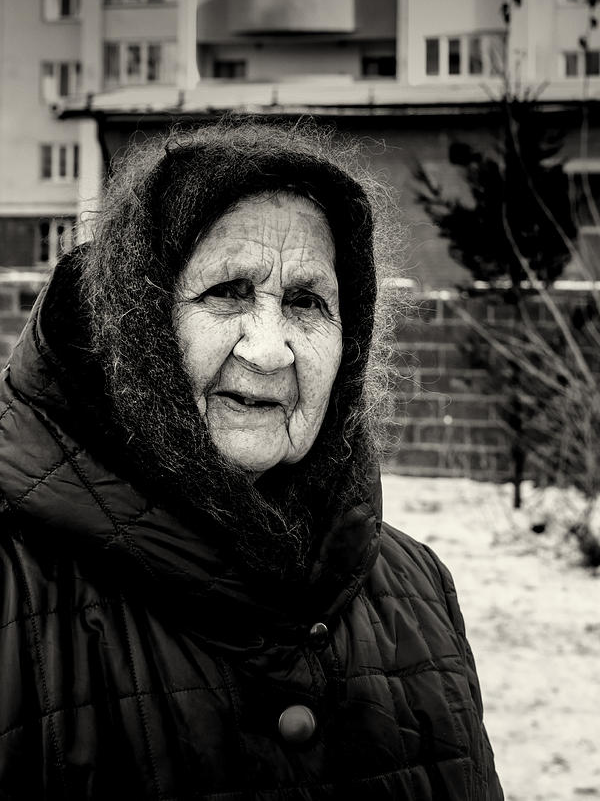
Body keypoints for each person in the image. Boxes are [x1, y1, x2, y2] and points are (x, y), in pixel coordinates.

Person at [0, 120, 503, 800]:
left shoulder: (417, 587)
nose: (270, 350)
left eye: (305, 302)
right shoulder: (15, 586)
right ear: (134, 323)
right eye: (227, 292)